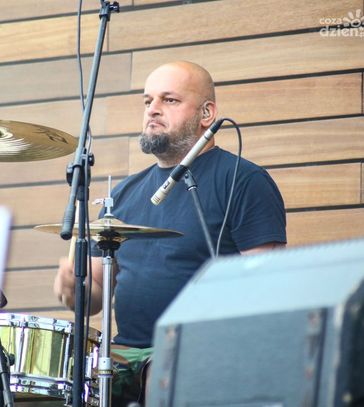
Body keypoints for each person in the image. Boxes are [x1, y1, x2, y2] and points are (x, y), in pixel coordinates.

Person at [54, 61, 287, 405]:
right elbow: (96, 294)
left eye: (170, 100)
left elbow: (266, 287)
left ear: (207, 114)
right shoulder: (124, 194)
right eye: (148, 101)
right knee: (68, 382)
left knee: (163, 374)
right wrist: (74, 288)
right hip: (125, 355)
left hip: (203, 353)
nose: (153, 109)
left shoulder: (243, 181)